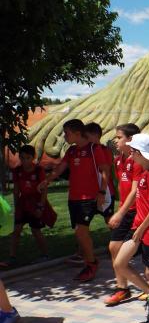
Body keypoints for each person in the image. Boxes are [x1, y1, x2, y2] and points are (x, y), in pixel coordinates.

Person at [39, 119, 110, 281]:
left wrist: (101, 192)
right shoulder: (71, 151)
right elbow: (59, 169)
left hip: (89, 198)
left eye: (67, 133)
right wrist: (46, 181)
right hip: (73, 198)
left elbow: (105, 172)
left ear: (78, 133)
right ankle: (89, 261)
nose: (65, 136)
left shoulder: (94, 149)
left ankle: (91, 264)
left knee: (81, 231)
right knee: (80, 234)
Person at [113, 133, 149, 323]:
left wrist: (141, 230)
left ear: (141, 153)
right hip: (140, 229)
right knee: (120, 263)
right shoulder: (145, 174)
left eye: (134, 151)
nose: (131, 153)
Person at [105, 123, 146, 306]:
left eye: (119, 137)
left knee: (135, 252)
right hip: (125, 210)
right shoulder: (118, 160)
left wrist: (120, 213)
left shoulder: (137, 160)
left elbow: (134, 191)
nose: (116, 140)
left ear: (130, 140)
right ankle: (122, 288)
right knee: (113, 247)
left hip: (137, 212)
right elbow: (122, 188)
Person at [8, 145, 49, 266]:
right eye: (22, 158)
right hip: (22, 204)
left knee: (35, 230)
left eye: (27, 158)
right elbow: (16, 190)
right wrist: (16, 207)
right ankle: (12, 258)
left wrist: (41, 206)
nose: (25, 161)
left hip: (35, 203)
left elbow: (44, 189)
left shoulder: (38, 170)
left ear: (33, 157)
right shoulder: (17, 170)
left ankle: (45, 255)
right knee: (16, 230)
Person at [84, 123, 116, 221]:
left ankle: (119, 236)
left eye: (87, 137)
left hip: (106, 191)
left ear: (96, 135)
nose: (85, 139)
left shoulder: (104, 150)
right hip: (92, 192)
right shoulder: (89, 150)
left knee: (110, 220)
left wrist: (102, 191)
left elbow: (106, 170)